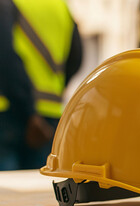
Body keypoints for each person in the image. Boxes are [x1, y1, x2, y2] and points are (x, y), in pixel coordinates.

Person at [0, 0, 82, 170]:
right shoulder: (61, 6)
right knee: (40, 187)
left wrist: (29, 112)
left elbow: (6, 58)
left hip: (10, 112)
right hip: (49, 116)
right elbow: (77, 56)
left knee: (5, 190)